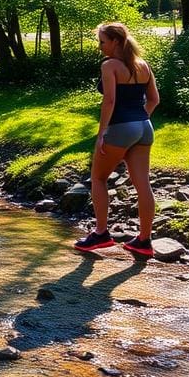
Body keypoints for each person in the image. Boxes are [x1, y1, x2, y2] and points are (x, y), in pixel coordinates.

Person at [74, 22, 160, 258]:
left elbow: (109, 101)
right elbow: (154, 99)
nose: (100, 47)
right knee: (143, 183)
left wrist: (103, 132)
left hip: (121, 127)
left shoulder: (110, 65)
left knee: (98, 178)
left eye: (102, 41)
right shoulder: (144, 65)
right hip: (144, 127)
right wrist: (139, 120)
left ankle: (101, 234)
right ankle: (144, 240)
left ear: (115, 42)